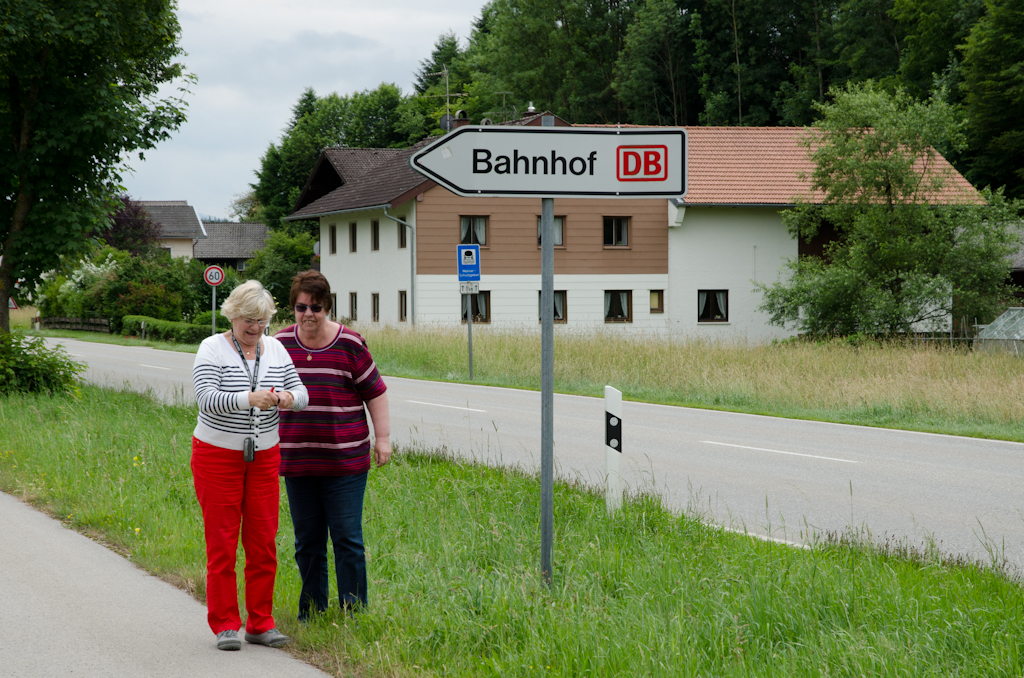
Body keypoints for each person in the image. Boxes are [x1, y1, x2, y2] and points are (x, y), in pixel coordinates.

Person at [191, 279, 309, 651]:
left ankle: (261, 622)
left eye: (261, 321)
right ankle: (226, 623)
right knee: (222, 543)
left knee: (262, 542)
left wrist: (286, 398)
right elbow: (206, 398)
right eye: (247, 320)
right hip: (217, 455)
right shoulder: (212, 347)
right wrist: (249, 399)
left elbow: (302, 393)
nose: (254, 328)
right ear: (232, 315)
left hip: (264, 456)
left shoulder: (275, 349)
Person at [275, 270, 391, 620]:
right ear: (293, 308)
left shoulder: (350, 343)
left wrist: (382, 439)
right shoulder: (278, 344)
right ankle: (311, 610)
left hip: (346, 463)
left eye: (316, 307)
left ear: (327, 307)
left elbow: (375, 392)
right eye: (301, 307)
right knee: (307, 542)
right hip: (297, 461)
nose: (308, 314)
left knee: (347, 539)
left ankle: (354, 610)